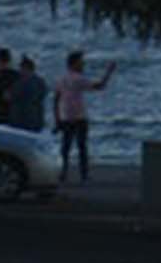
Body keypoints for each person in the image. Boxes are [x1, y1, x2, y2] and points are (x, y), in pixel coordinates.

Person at [52, 50, 116, 183]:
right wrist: (109, 72)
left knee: (65, 147)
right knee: (82, 146)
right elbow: (99, 86)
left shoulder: (61, 79)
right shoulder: (78, 78)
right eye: (81, 63)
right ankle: (84, 174)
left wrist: (57, 118)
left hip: (66, 116)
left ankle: (63, 172)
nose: (83, 65)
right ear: (74, 64)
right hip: (79, 116)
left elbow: (56, 99)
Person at [8, 54, 48, 132]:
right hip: (32, 120)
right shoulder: (40, 82)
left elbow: (12, 97)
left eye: (22, 68)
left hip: (24, 120)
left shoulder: (20, 82)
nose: (20, 70)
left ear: (27, 68)